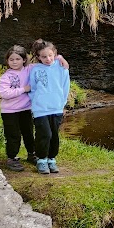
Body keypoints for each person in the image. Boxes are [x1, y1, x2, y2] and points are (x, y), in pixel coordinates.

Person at [0, 45, 70, 172]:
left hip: (26, 109)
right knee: (13, 135)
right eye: (11, 60)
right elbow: (4, 93)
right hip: (10, 111)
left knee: (29, 134)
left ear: (24, 60)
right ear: (7, 61)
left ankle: (32, 154)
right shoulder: (6, 76)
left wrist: (60, 57)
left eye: (18, 59)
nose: (15, 62)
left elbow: (47, 59)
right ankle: (12, 158)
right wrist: (24, 89)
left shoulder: (30, 69)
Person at [28, 40, 70, 175]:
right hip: (40, 109)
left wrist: (62, 103)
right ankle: (41, 160)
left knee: (54, 135)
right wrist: (35, 101)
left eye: (50, 55)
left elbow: (65, 86)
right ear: (38, 57)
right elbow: (32, 88)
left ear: (55, 54)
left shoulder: (61, 67)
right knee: (44, 134)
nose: (48, 59)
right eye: (44, 56)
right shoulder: (34, 69)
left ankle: (51, 159)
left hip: (56, 107)